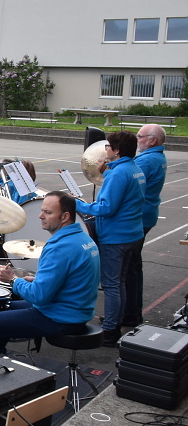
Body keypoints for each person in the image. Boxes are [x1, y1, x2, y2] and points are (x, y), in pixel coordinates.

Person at [0, 192, 101, 369]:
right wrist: (36, 280)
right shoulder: (83, 239)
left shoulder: (60, 247)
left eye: (48, 212)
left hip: (60, 318)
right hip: (76, 311)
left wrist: (13, 280)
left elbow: (39, 296)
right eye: (42, 211)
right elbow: (73, 279)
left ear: (65, 216)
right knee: (3, 307)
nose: (41, 216)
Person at [75, 131, 146, 347]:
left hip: (117, 237)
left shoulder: (118, 174)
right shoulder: (135, 169)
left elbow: (106, 208)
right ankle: (117, 321)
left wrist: (75, 203)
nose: (105, 150)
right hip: (132, 233)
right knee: (120, 282)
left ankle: (109, 331)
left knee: (112, 285)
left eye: (108, 147)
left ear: (116, 150)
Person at [123, 124, 168, 329]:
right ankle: (132, 313)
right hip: (145, 216)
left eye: (140, 137)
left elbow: (127, 182)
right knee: (133, 266)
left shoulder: (148, 159)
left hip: (138, 218)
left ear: (153, 140)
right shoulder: (155, 157)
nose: (137, 140)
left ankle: (129, 316)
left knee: (127, 270)